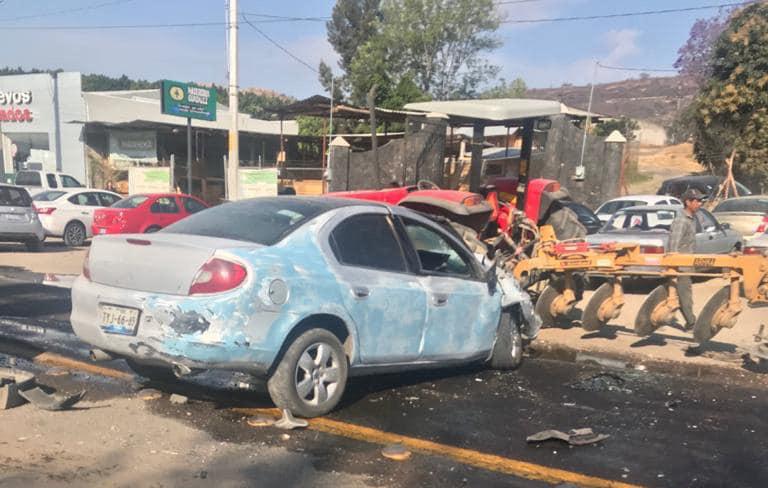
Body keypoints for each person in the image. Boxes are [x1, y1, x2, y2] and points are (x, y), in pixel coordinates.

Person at [668, 188, 704, 329]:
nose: (700, 204)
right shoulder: (681, 221)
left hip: (687, 265)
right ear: (688, 202)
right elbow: (673, 246)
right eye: (697, 201)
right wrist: (673, 267)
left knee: (682, 294)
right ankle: (691, 322)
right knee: (685, 295)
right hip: (680, 266)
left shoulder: (691, 219)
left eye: (701, 201)